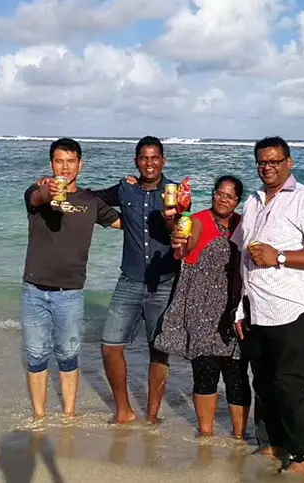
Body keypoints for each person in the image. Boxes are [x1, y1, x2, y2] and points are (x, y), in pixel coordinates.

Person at [230, 136, 304, 474]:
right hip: (255, 306)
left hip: (292, 305)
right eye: (262, 162)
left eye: (274, 161)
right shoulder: (253, 201)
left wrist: (278, 256)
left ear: (288, 162)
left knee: (288, 382)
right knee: (262, 380)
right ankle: (272, 443)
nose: (267, 167)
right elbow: (241, 256)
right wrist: (239, 308)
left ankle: (302, 455)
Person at [20, 138, 122, 421]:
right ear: (51, 164)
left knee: (67, 355)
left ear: (80, 164)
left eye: (70, 161)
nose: (64, 167)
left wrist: (154, 207)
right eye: (59, 161)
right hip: (34, 290)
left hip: (70, 293)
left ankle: (69, 416)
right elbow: (37, 198)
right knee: (36, 355)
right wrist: (47, 190)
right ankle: (39, 417)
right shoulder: (36, 192)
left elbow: (124, 223)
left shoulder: (91, 202)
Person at [88, 136, 180, 424]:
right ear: (136, 161)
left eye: (155, 158)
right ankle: (124, 411)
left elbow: (184, 230)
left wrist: (173, 217)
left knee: (159, 351)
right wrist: (112, 220)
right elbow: (91, 199)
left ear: (163, 161)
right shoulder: (125, 189)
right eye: (143, 158)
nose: (149, 163)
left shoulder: (175, 192)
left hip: (164, 283)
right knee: (109, 348)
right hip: (129, 280)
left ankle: (152, 415)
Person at [154, 175, 251, 439]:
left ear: (237, 201)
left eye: (229, 196)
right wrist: (180, 239)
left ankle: (239, 438)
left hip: (234, 309)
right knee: (205, 371)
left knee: (236, 373)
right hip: (200, 308)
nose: (222, 199)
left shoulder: (243, 224)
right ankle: (206, 436)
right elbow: (187, 243)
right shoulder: (197, 220)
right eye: (219, 193)